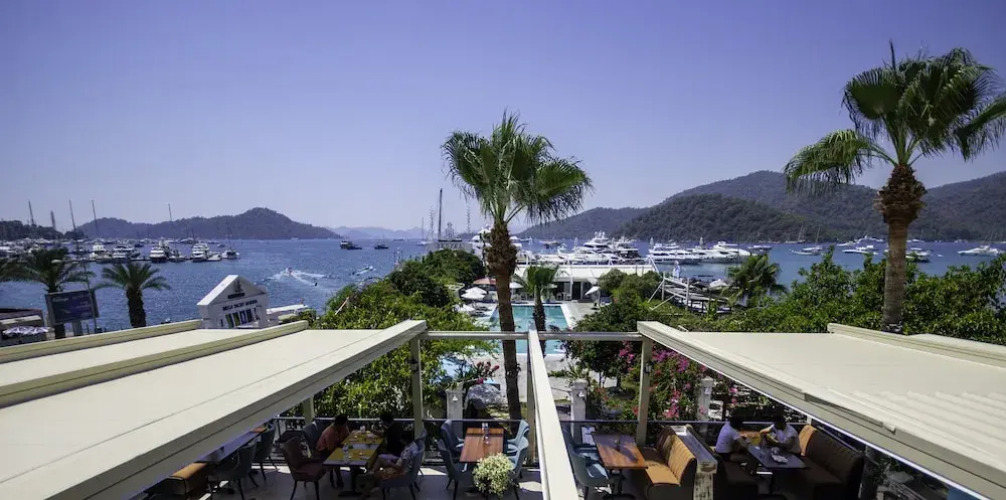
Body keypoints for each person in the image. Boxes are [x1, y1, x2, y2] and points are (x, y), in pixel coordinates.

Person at [356, 433, 421, 498]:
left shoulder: (407, 452)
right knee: (379, 461)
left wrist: (389, 463)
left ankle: (365, 483)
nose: (400, 440)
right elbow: (403, 461)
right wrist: (394, 460)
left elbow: (401, 468)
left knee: (375, 475)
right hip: (401, 465)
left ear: (405, 440)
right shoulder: (413, 445)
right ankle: (369, 477)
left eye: (401, 439)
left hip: (399, 472)